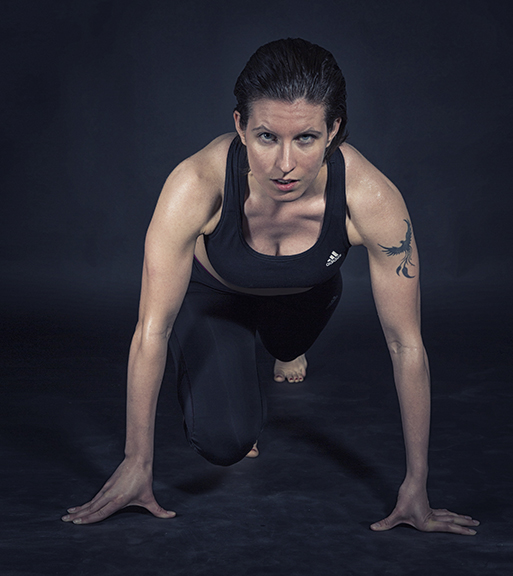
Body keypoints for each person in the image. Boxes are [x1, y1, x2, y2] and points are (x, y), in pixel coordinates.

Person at [62, 38, 479, 534]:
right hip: (216, 297)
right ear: (240, 126)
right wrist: (137, 461)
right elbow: (151, 330)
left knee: (288, 340)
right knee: (225, 443)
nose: (284, 165)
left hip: (306, 293)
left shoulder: (369, 196)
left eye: (305, 138)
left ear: (333, 131)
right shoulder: (196, 184)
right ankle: (238, 356)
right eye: (266, 137)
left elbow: (405, 343)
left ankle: (286, 349)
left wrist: (417, 484)